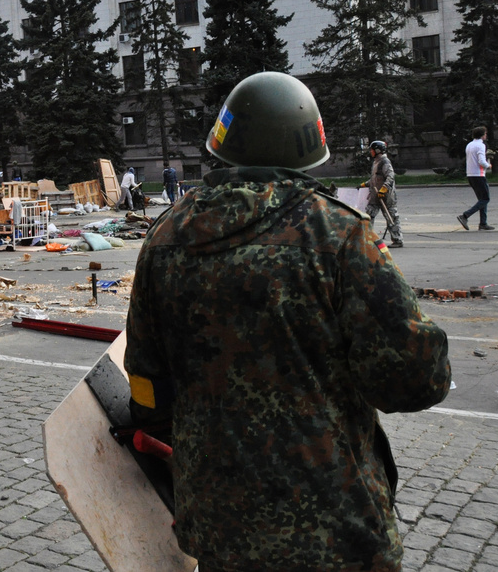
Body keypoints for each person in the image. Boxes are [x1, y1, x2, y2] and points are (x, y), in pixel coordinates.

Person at [124, 72, 450, 572]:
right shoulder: (338, 234)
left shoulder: (164, 237)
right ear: (306, 147)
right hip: (335, 531)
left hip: (218, 526)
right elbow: (413, 382)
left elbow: (146, 383)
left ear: (223, 143)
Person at [361, 140, 402, 247]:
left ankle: (397, 240)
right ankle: (367, 238)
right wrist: (365, 184)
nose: (370, 152)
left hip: (386, 196)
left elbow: (390, 176)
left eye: (372, 150)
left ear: (377, 150)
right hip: (375, 196)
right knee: (368, 216)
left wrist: (384, 189)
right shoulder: (376, 162)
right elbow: (375, 179)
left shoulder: (385, 162)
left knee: (391, 217)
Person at [458, 126, 495, 230]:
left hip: (470, 174)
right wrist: (489, 165)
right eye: (485, 134)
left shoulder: (469, 145)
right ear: (482, 135)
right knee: (485, 199)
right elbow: (481, 161)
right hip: (479, 175)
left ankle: (483, 223)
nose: (486, 135)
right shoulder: (481, 145)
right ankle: (465, 216)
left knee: (482, 199)